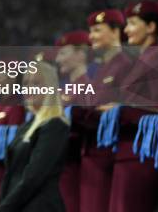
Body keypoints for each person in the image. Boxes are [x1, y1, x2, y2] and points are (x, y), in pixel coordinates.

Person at [103, 0, 158, 212]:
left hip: (142, 154)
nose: (126, 30)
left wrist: (119, 110)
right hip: (129, 151)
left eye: (132, 23)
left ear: (150, 27)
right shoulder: (142, 59)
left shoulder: (157, 58)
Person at [0, 61, 70, 212]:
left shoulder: (55, 125)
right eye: (26, 83)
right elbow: (11, 174)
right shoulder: (26, 126)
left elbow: (34, 176)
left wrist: (5, 208)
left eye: (36, 83)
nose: (29, 88)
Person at [79, 8, 132, 212]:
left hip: (108, 155)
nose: (91, 36)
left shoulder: (126, 64)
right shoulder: (100, 69)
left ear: (116, 31)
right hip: (93, 153)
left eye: (97, 30)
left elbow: (113, 110)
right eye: (90, 31)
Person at [54, 30, 91, 212]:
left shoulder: (90, 85)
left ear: (81, 53)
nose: (58, 59)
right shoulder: (62, 91)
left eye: (63, 53)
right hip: (61, 165)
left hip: (80, 165)